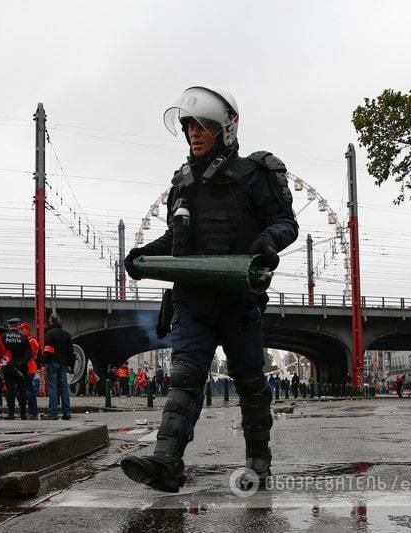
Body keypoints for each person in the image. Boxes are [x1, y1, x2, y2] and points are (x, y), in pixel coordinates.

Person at [120, 86, 298, 493]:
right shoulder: (182, 182)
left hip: (238, 300)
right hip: (192, 302)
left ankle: (258, 463)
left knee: (251, 382)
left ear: (225, 129)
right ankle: (166, 462)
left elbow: (286, 223)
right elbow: (176, 241)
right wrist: (144, 256)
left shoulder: (256, 174)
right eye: (188, 126)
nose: (194, 133)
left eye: (202, 126)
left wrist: (268, 241)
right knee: (184, 379)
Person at [43, 314, 74, 420]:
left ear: (51, 321)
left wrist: (43, 362)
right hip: (64, 364)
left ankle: (53, 412)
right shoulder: (67, 334)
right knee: (64, 387)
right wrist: (71, 365)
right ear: (59, 321)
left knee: (53, 387)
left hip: (53, 362)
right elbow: (71, 352)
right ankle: (67, 412)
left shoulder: (49, 334)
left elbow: (48, 350)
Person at [0, 318, 31, 420]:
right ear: (18, 326)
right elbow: (28, 353)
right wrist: (22, 363)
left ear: (9, 326)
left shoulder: (3, 337)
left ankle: (11, 413)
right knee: (22, 390)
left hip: (8, 367)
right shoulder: (23, 338)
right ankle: (23, 413)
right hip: (21, 368)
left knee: (10, 390)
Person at [19, 322, 41, 419]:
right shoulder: (29, 340)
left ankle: (34, 412)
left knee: (30, 390)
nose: (20, 331)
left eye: (22, 329)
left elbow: (30, 354)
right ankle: (32, 411)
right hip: (30, 367)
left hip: (30, 367)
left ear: (27, 330)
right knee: (29, 390)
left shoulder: (31, 341)